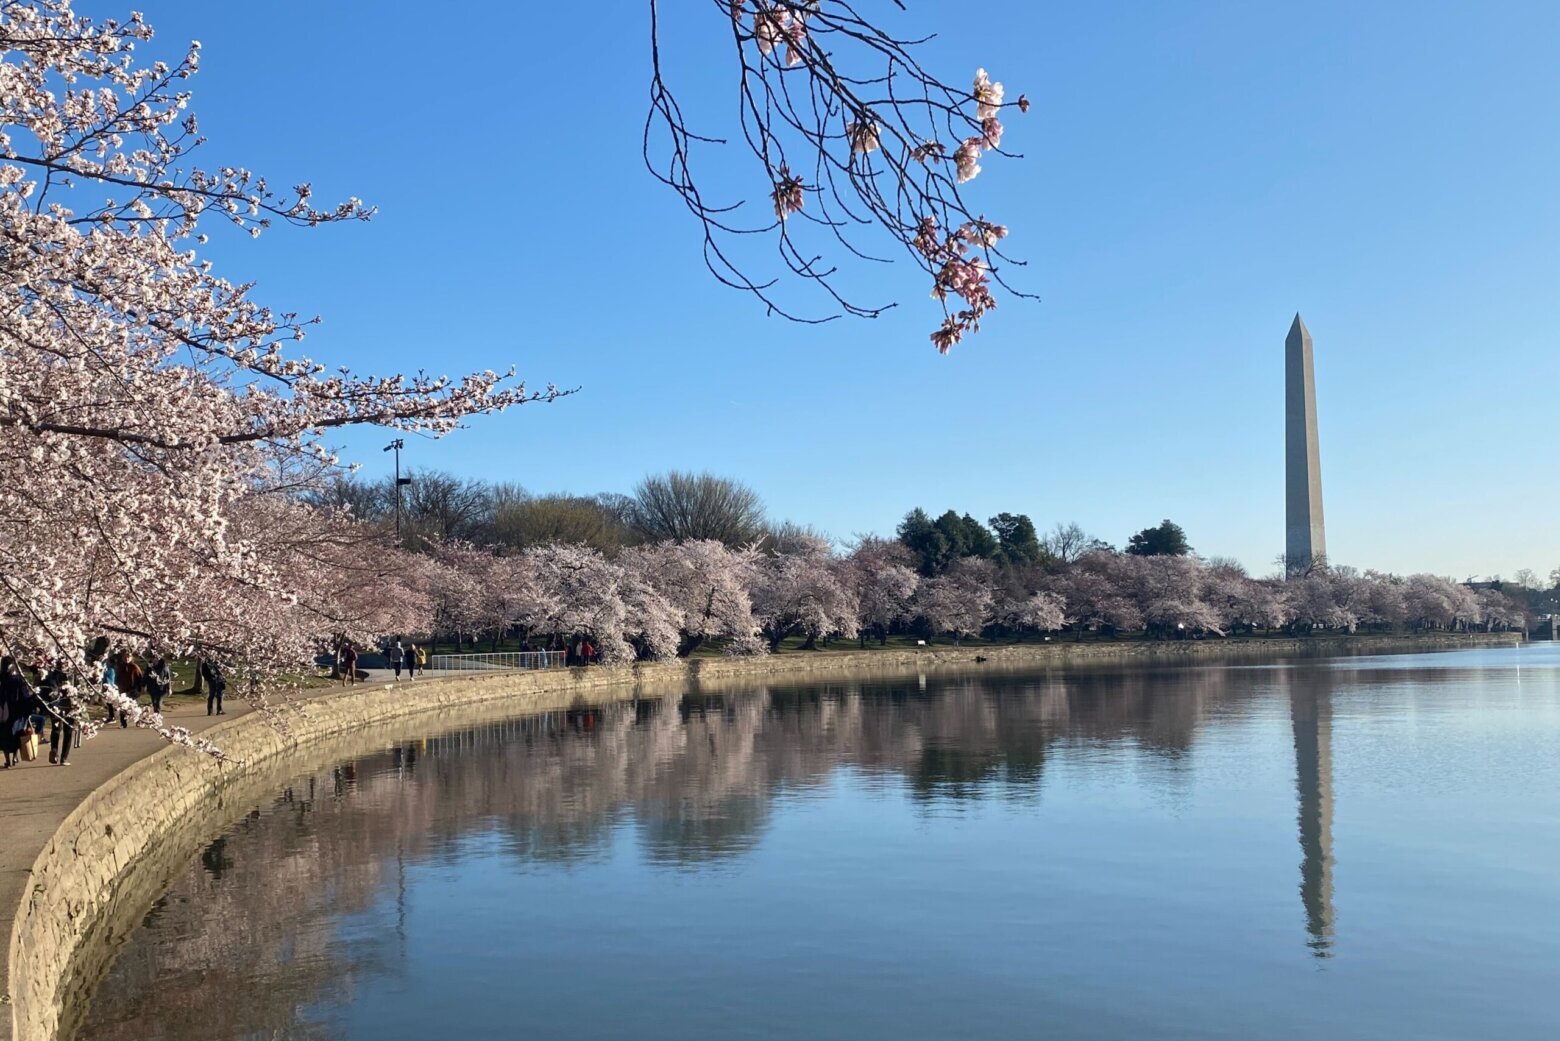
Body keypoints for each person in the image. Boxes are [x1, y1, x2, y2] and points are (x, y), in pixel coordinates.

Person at [40, 661, 74, 766]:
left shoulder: (52, 674)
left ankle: (54, 750)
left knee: (56, 729)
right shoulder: (71, 674)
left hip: (55, 705)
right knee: (68, 731)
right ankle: (64, 758)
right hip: (69, 705)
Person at [114, 650, 143, 728]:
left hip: (133, 690)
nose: (126, 658)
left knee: (135, 707)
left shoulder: (134, 667)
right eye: (125, 657)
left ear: (131, 657)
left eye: (128, 656)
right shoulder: (120, 667)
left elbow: (139, 679)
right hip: (123, 690)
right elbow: (117, 678)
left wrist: (138, 690)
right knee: (122, 706)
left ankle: (138, 721)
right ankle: (123, 723)